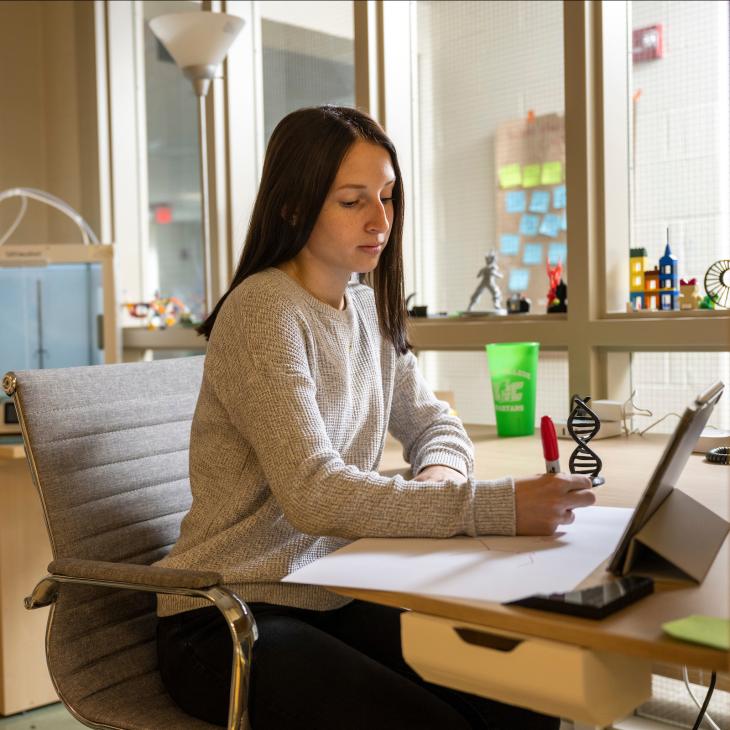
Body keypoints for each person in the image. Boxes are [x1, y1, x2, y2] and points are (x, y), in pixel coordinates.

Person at [155, 105, 595, 730]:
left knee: (527, 698)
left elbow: (435, 424)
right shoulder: (263, 312)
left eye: (387, 197)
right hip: (227, 616)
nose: (381, 220)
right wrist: (490, 506)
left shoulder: (365, 306)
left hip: (333, 592)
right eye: (352, 201)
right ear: (292, 207)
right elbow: (314, 494)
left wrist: (441, 477)